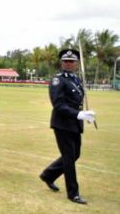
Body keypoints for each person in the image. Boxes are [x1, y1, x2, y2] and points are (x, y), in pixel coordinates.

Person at [39, 49, 96, 205]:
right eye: (66, 61)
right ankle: (73, 193)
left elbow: (77, 103)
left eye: (72, 61)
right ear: (61, 63)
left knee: (75, 154)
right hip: (62, 124)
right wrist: (78, 115)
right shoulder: (58, 80)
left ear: (76, 63)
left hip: (75, 124)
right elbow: (58, 104)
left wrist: (86, 115)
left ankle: (48, 175)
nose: (68, 64)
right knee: (69, 158)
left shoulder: (76, 80)